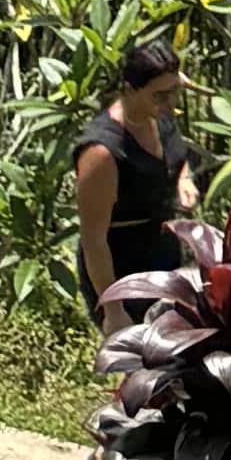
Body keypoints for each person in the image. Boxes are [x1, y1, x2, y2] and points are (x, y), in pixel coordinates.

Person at [71, 33, 200, 315]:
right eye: (160, 95)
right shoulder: (102, 153)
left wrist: (183, 178)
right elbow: (93, 240)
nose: (170, 102)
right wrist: (113, 311)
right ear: (129, 90)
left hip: (163, 252)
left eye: (174, 91)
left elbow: (174, 152)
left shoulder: (158, 113)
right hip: (122, 270)